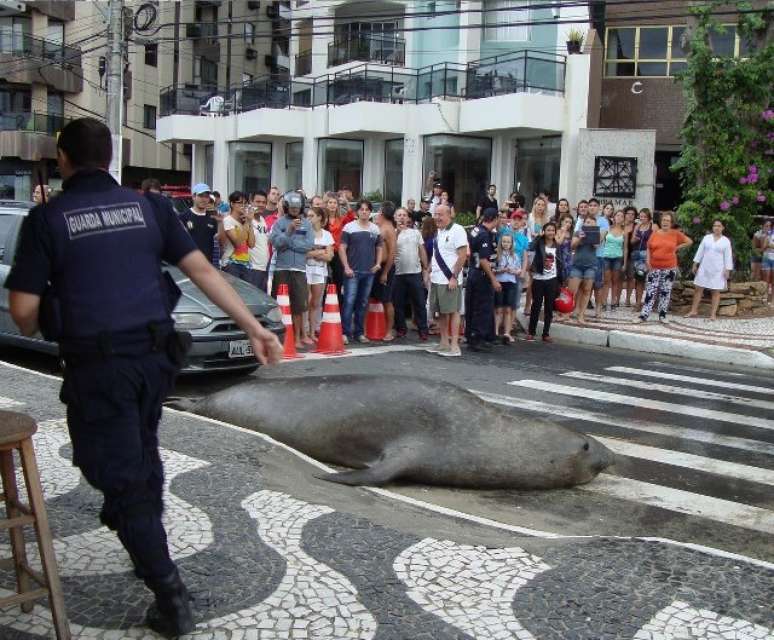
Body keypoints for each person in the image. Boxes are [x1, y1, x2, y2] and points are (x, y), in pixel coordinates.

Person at [4, 118, 282, 638]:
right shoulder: (151, 207)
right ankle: (143, 535)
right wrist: (253, 327)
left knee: (114, 471)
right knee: (142, 452)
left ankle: (167, 590)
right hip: (156, 362)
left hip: (99, 368)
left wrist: (51, 303)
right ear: (110, 160)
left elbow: (22, 311)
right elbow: (203, 270)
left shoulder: (48, 219)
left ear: (63, 160)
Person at [270, 191, 315, 345]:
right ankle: (280, 338)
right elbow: (275, 244)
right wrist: (288, 231)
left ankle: (296, 338)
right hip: (281, 269)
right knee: (280, 305)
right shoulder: (279, 223)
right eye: (292, 208)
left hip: (299, 270)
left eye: (297, 208)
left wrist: (288, 243)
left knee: (298, 306)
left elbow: (308, 246)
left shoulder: (307, 224)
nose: (295, 210)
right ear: (286, 207)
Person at [635, 210, 693, 324]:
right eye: (663, 220)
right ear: (661, 221)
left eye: (667, 220)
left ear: (671, 222)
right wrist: (647, 260)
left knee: (665, 292)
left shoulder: (675, 233)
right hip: (654, 266)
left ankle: (662, 315)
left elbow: (689, 241)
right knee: (650, 291)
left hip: (669, 267)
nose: (665, 222)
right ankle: (644, 315)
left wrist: (677, 247)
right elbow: (648, 247)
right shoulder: (655, 233)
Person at [339, 199, 384, 344]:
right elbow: (341, 248)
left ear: (370, 212)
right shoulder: (349, 227)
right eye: (362, 209)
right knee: (349, 301)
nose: (364, 211)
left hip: (369, 272)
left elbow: (379, 247)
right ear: (357, 211)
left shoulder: (375, 229)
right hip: (352, 272)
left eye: (367, 209)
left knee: (363, 303)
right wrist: (346, 267)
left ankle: (359, 332)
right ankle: (345, 332)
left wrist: (377, 263)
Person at [427, 204, 467, 357]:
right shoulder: (439, 231)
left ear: (449, 215)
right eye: (435, 214)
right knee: (441, 312)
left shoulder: (458, 230)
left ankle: (455, 345)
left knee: (454, 311)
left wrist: (454, 277)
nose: (437, 217)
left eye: (440, 214)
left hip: (450, 279)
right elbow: (437, 254)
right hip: (437, 279)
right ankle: (444, 343)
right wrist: (429, 271)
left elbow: (462, 256)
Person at [465, 209, 501, 352]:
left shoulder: (475, 230)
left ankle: (479, 335)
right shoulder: (484, 235)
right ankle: (476, 337)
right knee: (482, 307)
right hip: (482, 275)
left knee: (472, 305)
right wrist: (493, 279)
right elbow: (483, 259)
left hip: (473, 273)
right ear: (495, 218)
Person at [685, 219, 734, 320]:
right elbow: (700, 251)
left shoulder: (725, 241)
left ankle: (713, 314)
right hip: (704, 267)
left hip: (718, 270)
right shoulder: (707, 238)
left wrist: (728, 270)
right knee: (698, 289)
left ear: (723, 228)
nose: (716, 227)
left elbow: (728, 257)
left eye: (719, 226)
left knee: (715, 291)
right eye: (715, 225)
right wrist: (695, 264)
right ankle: (694, 310)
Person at [393, 207, 430, 340]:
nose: (402, 217)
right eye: (399, 215)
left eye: (404, 215)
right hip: (398, 274)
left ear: (408, 218)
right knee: (398, 303)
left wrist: (426, 268)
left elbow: (422, 250)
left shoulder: (415, 233)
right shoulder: (392, 233)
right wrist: (397, 231)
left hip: (415, 273)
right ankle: (401, 328)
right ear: (395, 218)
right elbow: (390, 248)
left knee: (419, 302)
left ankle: (423, 329)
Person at [527, 221, 562, 342]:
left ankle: (545, 333)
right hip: (538, 279)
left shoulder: (557, 246)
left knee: (549, 307)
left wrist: (560, 280)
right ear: (544, 231)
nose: (551, 232)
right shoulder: (538, 243)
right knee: (536, 305)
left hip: (552, 279)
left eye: (553, 230)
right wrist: (538, 236)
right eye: (548, 230)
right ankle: (531, 331)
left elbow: (560, 263)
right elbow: (530, 247)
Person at [575, 198, 609, 317]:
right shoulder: (582, 220)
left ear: (599, 207)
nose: (592, 207)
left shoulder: (603, 221)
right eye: (590, 205)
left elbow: (599, 240)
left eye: (595, 205)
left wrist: (588, 235)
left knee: (597, 284)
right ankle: (578, 308)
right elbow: (577, 235)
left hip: (598, 256)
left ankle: (598, 308)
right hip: (583, 255)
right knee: (581, 285)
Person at [305, 206, 334, 339]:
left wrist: (314, 253)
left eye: (311, 216)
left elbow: (330, 256)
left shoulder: (327, 234)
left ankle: (312, 332)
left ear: (319, 217)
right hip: (305, 270)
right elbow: (303, 253)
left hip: (320, 271)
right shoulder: (304, 232)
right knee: (306, 300)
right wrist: (320, 251)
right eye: (308, 216)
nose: (308, 218)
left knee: (316, 303)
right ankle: (304, 331)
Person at [569, 208, 601, 325]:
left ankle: (581, 314)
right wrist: (580, 239)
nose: (589, 225)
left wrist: (591, 237)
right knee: (572, 290)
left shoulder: (598, 234)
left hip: (591, 266)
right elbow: (572, 246)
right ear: (584, 223)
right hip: (577, 265)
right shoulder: (577, 233)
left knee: (587, 290)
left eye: (592, 223)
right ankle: (568, 311)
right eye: (587, 223)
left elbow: (597, 245)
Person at [373, 202, 398, 341]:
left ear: (382, 212)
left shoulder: (388, 229)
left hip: (385, 267)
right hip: (376, 266)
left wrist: (385, 273)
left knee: (387, 300)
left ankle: (389, 331)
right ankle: (367, 328)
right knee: (371, 298)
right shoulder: (379, 226)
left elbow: (392, 253)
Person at [219, 191, 255, 284]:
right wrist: (247, 223)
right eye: (240, 203)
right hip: (231, 263)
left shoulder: (245, 221)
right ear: (232, 204)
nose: (243, 206)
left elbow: (251, 244)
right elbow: (237, 243)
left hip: (246, 263)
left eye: (245, 203)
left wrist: (249, 222)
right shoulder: (228, 220)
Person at [179, 183, 218, 266]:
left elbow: (220, 241)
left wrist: (221, 222)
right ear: (193, 197)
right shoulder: (183, 217)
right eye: (201, 196)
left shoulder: (212, 218)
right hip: (188, 265)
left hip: (207, 264)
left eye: (206, 196)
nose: (204, 199)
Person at [493, 233, 522, 343]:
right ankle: (495, 332)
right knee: (498, 309)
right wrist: (501, 270)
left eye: (508, 242)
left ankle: (507, 333)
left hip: (511, 283)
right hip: (500, 283)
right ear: (501, 243)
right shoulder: (496, 255)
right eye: (504, 242)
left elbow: (519, 270)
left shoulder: (515, 255)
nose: (506, 244)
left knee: (508, 309)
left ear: (511, 244)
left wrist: (513, 271)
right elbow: (493, 269)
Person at [524, 196, 550, 314]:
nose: (540, 207)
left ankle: (536, 304)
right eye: (538, 204)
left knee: (538, 279)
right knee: (532, 279)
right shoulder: (529, 217)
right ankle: (528, 305)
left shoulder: (547, 219)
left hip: (542, 250)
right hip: (531, 249)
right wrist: (534, 235)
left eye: (542, 205)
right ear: (534, 205)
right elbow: (526, 233)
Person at [599, 210, 627, 312]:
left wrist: (624, 262)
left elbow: (625, 248)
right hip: (606, 256)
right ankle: (604, 302)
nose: (619, 217)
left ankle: (614, 302)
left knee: (615, 281)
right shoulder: (608, 228)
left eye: (621, 216)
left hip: (617, 258)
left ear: (623, 219)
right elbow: (601, 241)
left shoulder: (625, 232)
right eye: (617, 215)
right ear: (614, 217)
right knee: (606, 281)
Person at [631, 208, 656, 310]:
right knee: (639, 279)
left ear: (649, 217)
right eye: (641, 216)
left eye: (644, 216)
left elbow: (656, 241)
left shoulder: (653, 226)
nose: (642, 218)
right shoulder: (638, 226)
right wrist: (635, 239)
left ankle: (648, 303)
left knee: (650, 280)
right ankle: (638, 303)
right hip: (637, 255)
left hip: (648, 255)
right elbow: (632, 241)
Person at [247, 190, 270, 291]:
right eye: (258, 202)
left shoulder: (262, 220)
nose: (261, 205)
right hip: (251, 268)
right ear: (251, 202)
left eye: (263, 202)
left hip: (263, 268)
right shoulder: (246, 219)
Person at [622, 206, 638, 306]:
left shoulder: (637, 226)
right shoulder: (620, 225)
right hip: (620, 254)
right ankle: (616, 298)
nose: (630, 216)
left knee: (630, 277)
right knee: (619, 278)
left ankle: (628, 299)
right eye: (628, 214)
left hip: (632, 255)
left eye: (633, 214)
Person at [761, 219, 774, 303]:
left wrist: (771, 245)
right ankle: (764, 298)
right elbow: (762, 248)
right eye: (766, 226)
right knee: (766, 279)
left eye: (770, 226)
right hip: (766, 258)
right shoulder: (763, 235)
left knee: (773, 280)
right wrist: (767, 244)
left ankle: (771, 299)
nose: (768, 227)